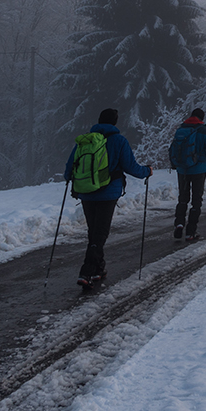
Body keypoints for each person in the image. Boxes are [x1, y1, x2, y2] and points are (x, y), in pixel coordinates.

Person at [64, 107, 152, 289]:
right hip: (107, 193)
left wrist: (70, 179)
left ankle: (98, 268)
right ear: (114, 122)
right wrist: (147, 171)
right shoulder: (119, 140)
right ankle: (87, 271)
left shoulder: (85, 141)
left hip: (86, 191)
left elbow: (69, 167)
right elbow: (130, 167)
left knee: (94, 231)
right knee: (100, 233)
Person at [169, 107, 206, 241]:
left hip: (182, 170)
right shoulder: (204, 131)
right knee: (196, 200)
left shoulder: (181, 129)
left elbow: (173, 149)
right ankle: (190, 232)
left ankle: (179, 224)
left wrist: (175, 164)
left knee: (183, 198)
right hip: (198, 170)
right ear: (202, 118)